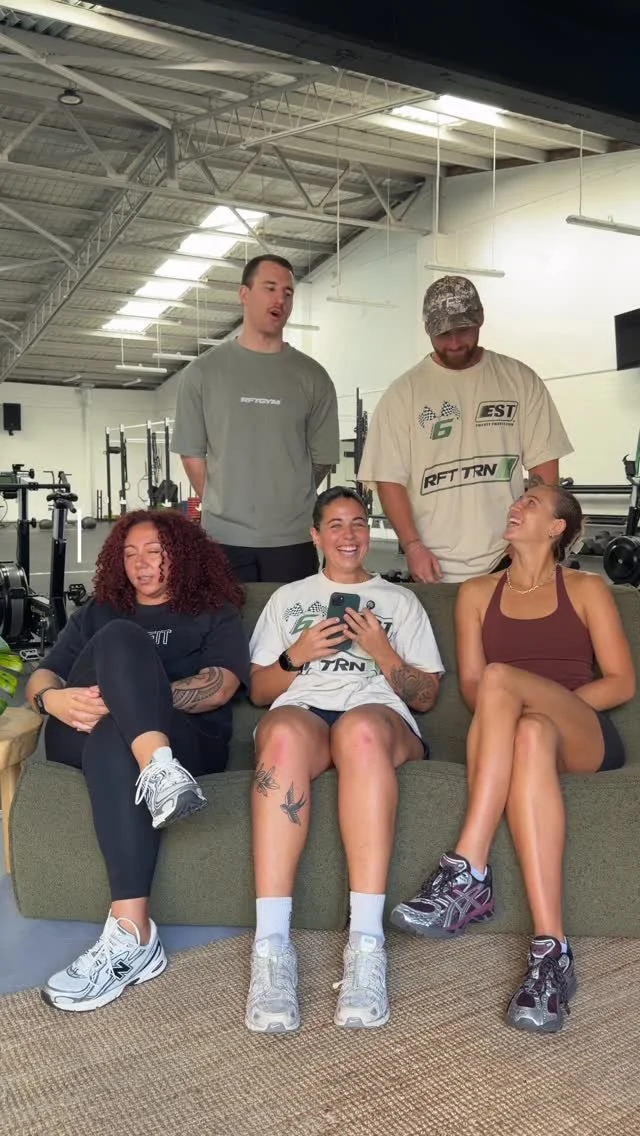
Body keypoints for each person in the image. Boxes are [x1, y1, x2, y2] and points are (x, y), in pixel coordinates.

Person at [390, 483, 635, 1033]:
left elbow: (621, 681)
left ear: (557, 528)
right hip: (520, 732)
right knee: (527, 729)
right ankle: (552, 955)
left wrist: (547, 699)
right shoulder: (476, 593)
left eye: (532, 503)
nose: (517, 506)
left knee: (507, 684)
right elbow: (473, 692)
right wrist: (530, 709)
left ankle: (467, 868)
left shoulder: (587, 589)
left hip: (582, 731)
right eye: (518, 499)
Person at [27, 509, 250, 1013]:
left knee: (116, 732)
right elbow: (45, 675)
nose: (141, 564)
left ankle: (132, 934)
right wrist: (51, 700)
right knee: (120, 636)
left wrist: (133, 700)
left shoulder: (213, 611)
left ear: (181, 555)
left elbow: (220, 687)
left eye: (154, 552)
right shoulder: (102, 611)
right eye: (130, 554)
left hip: (188, 739)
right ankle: (159, 770)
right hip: (77, 730)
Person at [244, 486, 444, 1033]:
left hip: (377, 715)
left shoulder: (399, 601)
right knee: (281, 737)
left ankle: (366, 946)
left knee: (359, 732)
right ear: (316, 535)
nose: (348, 535)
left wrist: (381, 650)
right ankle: (271, 949)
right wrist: (298, 655)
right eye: (335, 524)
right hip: (305, 711)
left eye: (357, 523)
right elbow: (259, 691)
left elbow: (426, 696)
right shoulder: (289, 599)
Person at [357, 275, 574, 583]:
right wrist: (412, 545)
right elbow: (389, 479)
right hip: (432, 567)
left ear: (481, 318)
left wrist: (532, 543)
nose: (455, 343)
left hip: (508, 559)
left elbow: (545, 468)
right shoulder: (403, 394)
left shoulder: (520, 381)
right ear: (427, 329)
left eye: (464, 330)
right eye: (444, 334)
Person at [171, 254, 340, 584]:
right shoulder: (202, 373)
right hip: (223, 540)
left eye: (288, 293)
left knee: (295, 620)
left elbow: (322, 459)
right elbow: (192, 453)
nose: (280, 300)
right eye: (270, 288)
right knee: (228, 620)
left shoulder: (314, 377)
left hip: (293, 540)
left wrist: (287, 498)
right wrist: (224, 502)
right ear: (244, 294)